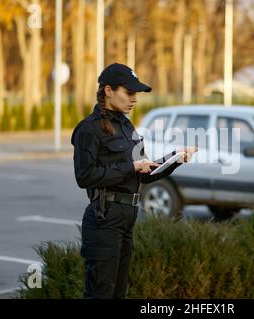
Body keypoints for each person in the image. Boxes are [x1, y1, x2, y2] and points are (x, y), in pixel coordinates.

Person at [71, 63, 197, 299]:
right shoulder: (89, 129)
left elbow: (145, 173)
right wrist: (129, 167)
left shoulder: (127, 126)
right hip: (104, 219)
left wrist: (176, 157)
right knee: (100, 294)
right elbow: (84, 176)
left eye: (135, 94)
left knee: (119, 293)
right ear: (108, 91)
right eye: (129, 93)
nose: (134, 99)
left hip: (127, 217)